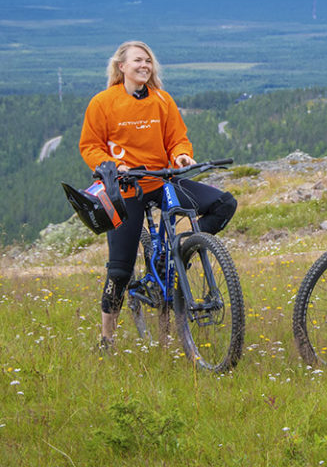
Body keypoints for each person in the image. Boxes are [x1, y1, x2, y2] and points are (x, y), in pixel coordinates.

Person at [79, 41, 237, 348]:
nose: (144, 65)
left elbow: (177, 139)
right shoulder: (103, 102)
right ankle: (107, 338)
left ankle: (179, 249)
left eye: (148, 61)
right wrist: (111, 166)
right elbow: (90, 145)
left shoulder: (162, 100)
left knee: (223, 203)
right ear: (121, 66)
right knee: (120, 269)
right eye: (138, 60)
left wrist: (180, 156)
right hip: (126, 189)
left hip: (163, 180)